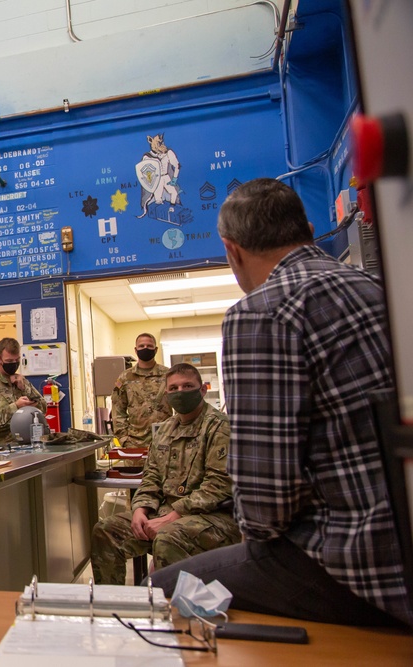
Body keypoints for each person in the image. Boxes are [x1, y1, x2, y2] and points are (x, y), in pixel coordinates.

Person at [152, 178, 413, 627]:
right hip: (399, 549)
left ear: (232, 250)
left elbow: (264, 509)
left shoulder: (262, 312)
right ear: (308, 229)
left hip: (355, 568)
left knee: (158, 594)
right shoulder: (377, 288)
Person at [90, 364, 239, 585]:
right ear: (166, 395)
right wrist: (141, 508)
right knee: (105, 530)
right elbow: (151, 476)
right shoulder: (165, 429)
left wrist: (173, 517)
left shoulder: (219, 427)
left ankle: (169, 612)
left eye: (188, 386)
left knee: (167, 538)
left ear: (203, 390)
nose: (180, 391)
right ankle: (113, 606)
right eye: (174, 388)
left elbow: (217, 486)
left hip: (214, 517)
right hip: (165, 512)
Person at [0, 337, 46, 447]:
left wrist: (24, 388)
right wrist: (15, 407)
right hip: (2, 448)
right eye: (9, 361)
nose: (14, 364)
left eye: (17, 360)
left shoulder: (21, 381)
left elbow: (44, 408)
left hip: (28, 444)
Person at [110, 333, 170, 447]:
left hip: (165, 441)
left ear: (156, 350)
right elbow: (118, 411)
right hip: (134, 444)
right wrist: (124, 439)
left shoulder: (168, 375)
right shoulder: (125, 377)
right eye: (141, 346)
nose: (145, 348)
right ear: (136, 350)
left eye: (149, 346)